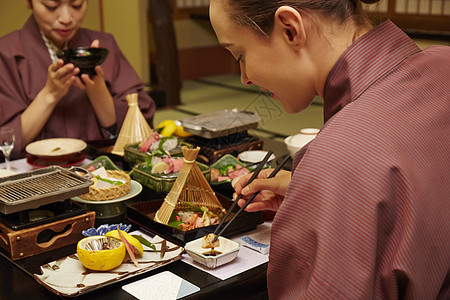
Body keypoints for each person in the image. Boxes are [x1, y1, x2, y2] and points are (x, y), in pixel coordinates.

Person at [209, 0, 450, 298]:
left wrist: (327, 188)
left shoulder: (338, 154)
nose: (244, 77)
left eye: (240, 55)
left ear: (290, 29)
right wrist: (315, 199)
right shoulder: (444, 62)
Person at [0, 0, 156, 159]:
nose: (66, 18)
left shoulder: (105, 45)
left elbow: (140, 130)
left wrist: (98, 91)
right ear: (28, 2)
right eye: (51, 6)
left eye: (77, 5)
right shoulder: (5, 53)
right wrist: (49, 95)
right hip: (31, 176)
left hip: (102, 171)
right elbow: (4, 143)